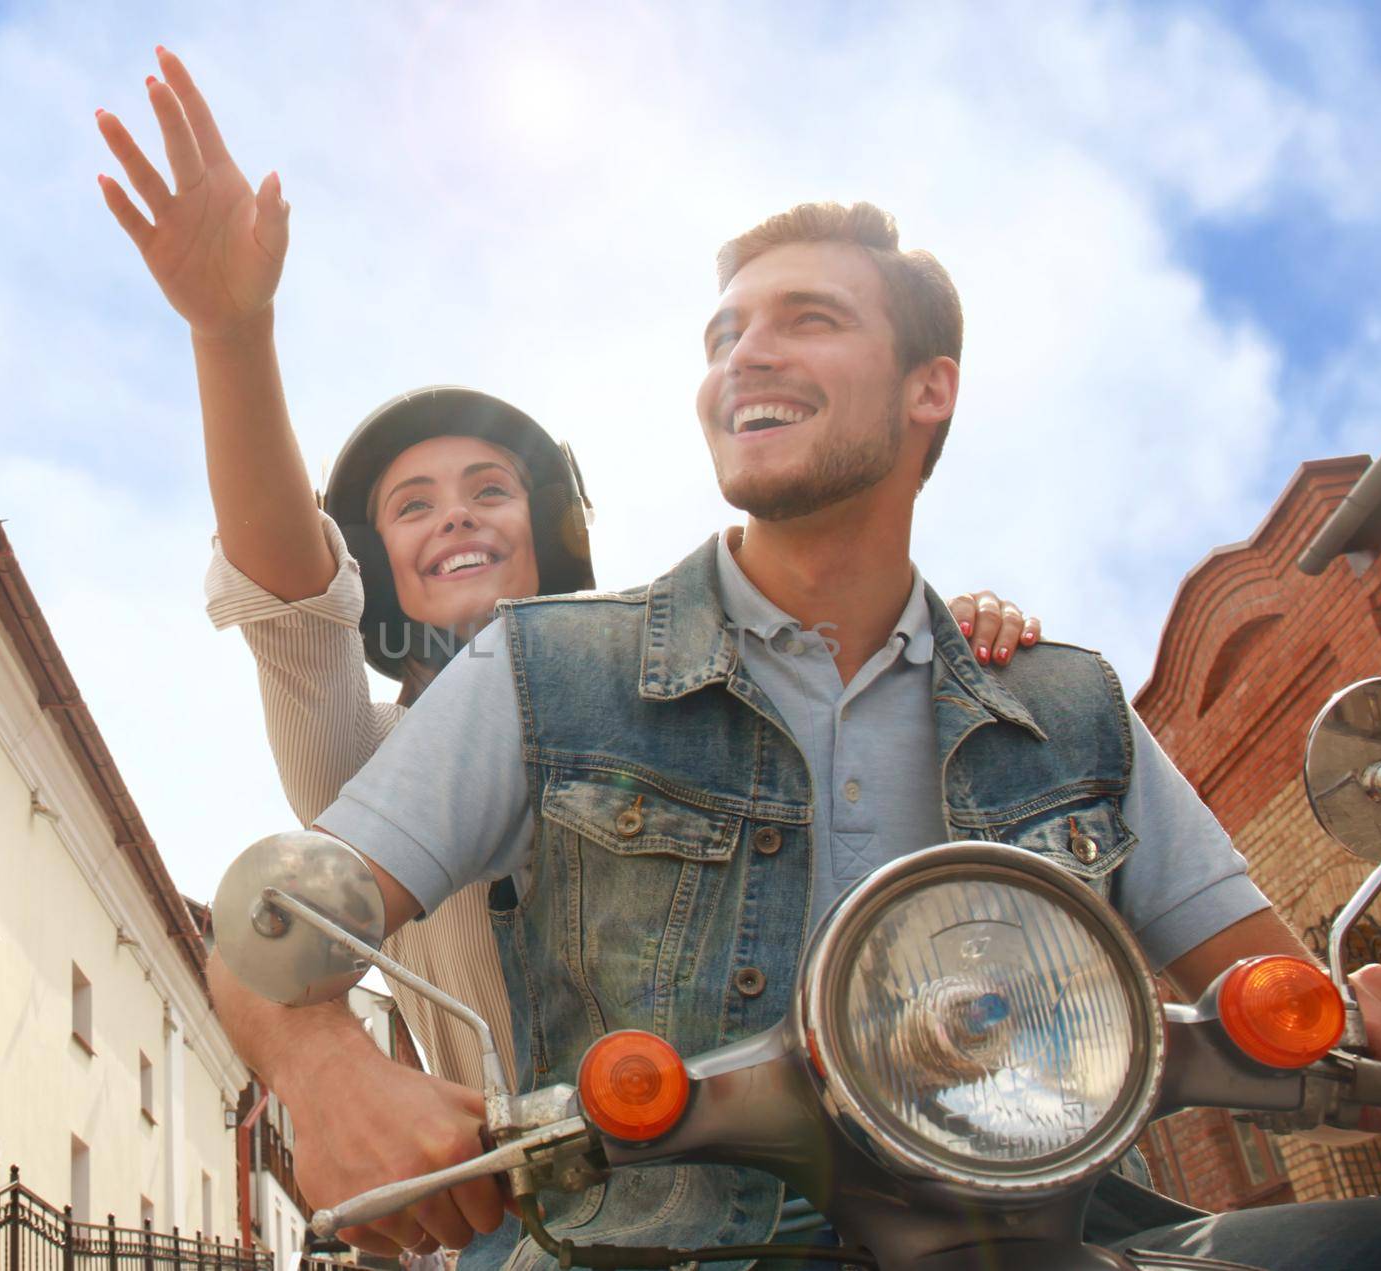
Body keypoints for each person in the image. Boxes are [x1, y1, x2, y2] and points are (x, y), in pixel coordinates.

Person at [224, 199, 1381, 1269]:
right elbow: (267, 934)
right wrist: (327, 1068)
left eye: (807, 318)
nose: (747, 354)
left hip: (1051, 1230)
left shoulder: (1064, 704)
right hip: (650, 1240)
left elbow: (1284, 995)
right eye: (724, 333)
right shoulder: (546, 675)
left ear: (927, 387)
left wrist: (1364, 1028)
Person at [91, 48, 1045, 1250]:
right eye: (411, 503)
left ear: (547, 531)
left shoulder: (668, 690)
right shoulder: (364, 756)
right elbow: (290, 599)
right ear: (378, 561)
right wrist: (233, 332)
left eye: (487, 489)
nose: (453, 516)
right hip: (532, 1220)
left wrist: (950, 651)